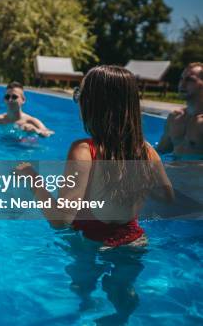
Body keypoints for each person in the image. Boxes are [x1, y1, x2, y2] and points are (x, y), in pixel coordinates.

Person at [15, 65, 174, 248]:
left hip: (91, 243)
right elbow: (166, 198)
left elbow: (60, 221)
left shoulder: (84, 151)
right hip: (135, 241)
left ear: (93, 104)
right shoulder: (146, 151)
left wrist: (33, 179)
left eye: (79, 95)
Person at [157, 62, 203, 157]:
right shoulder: (174, 117)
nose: (182, 84)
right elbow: (160, 151)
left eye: (190, 80)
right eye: (181, 79)